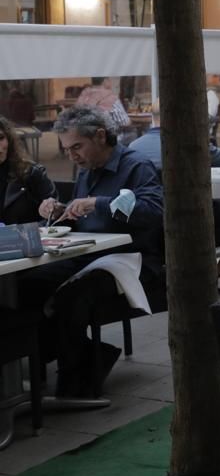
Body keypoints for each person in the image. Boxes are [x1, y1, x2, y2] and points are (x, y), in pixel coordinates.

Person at [20, 106, 164, 397]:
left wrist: (98, 203)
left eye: (77, 147)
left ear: (100, 136)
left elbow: (153, 213)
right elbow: (82, 216)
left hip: (132, 258)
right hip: (90, 254)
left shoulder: (136, 165)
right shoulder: (87, 170)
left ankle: (76, 381)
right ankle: (71, 358)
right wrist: (61, 210)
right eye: (67, 149)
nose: (72, 156)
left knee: (71, 298)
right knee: (29, 284)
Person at [129, 101, 220, 292]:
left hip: (153, 224)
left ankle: (217, 270)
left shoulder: (134, 147)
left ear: (152, 118)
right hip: (194, 216)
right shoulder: (190, 143)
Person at [0, 115, 56, 225]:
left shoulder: (32, 173)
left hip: (28, 239)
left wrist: (30, 233)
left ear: (9, 140)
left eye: (0, 138)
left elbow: (56, 216)